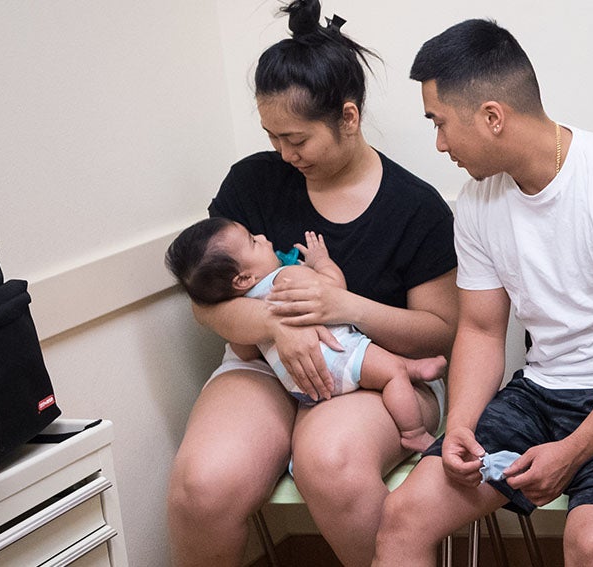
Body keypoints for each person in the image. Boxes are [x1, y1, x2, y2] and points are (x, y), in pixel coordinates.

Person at [374, 18, 593, 567]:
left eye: (441, 124)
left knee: (590, 542)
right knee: (403, 516)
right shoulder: (477, 202)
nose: (439, 144)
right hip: (542, 391)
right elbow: (481, 329)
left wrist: (575, 452)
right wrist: (459, 425)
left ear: (492, 117)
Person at [165, 1, 458, 565]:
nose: (283, 153)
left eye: (297, 138)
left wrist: (341, 304)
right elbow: (209, 307)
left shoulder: (414, 208)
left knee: (330, 464)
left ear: (348, 118)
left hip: (378, 373)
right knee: (203, 486)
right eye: (272, 136)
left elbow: (438, 334)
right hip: (262, 367)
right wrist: (278, 324)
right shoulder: (251, 183)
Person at [165, 218, 446, 451]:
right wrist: (320, 262)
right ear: (243, 279)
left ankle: (414, 368)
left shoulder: (248, 306)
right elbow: (334, 290)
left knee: (385, 367)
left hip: (301, 385)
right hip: (337, 360)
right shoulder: (284, 279)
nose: (263, 237)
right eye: (253, 241)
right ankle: (414, 432)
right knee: (391, 374)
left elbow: (246, 351)